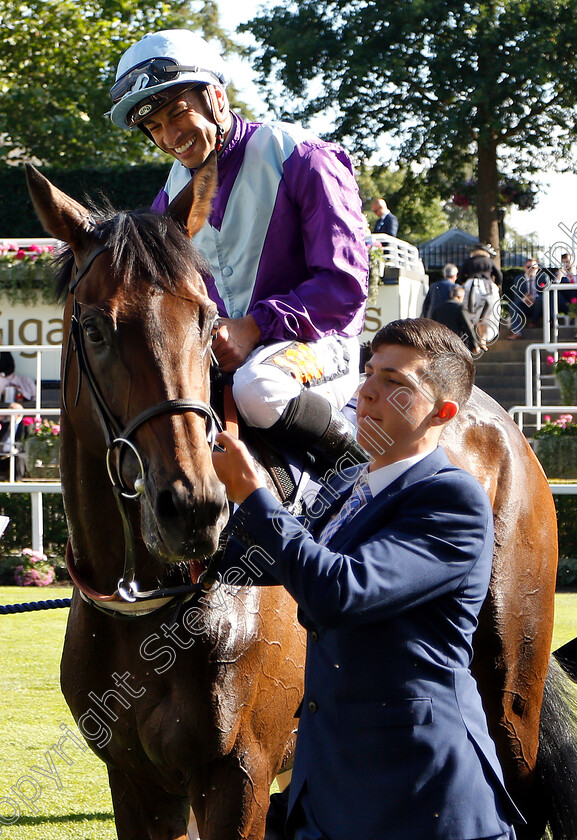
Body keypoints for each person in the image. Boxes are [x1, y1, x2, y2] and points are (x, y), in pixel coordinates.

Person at [212, 318, 522, 840]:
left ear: (442, 412)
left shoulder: (452, 500)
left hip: (421, 797)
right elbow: (280, 559)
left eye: (396, 384)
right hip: (332, 790)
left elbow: (338, 590)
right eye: (371, 373)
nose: (368, 392)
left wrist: (254, 497)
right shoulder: (352, 484)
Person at [109, 30, 369, 470]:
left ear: (215, 97)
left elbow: (344, 287)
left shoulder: (301, 156)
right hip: (223, 348)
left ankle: (361, 473)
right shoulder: (169, 196)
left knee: (258, 386)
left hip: (320, 342)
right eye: (155, 127)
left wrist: (254, 327)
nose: (170, 137)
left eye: (178, 115)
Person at [459, 243, 503, 346]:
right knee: (487, 313)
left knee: (469, 312)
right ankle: (483, 339)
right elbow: (499, 275)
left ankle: (471, 339)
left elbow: (461, 275)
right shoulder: (490, 261)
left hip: (471, 286)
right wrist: (498, 285)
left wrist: (463, 283)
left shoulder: (468, 261)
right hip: (487, 287)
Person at [430, 284, 479, 353]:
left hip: (441, 344)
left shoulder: (438, 309)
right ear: (460, 297)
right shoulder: (461, 308)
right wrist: (475, 345)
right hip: (458, 343)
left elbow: (432, 326)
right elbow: (468, 327)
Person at [506, 259, 542, 341]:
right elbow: (516, 296)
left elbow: (547, 294)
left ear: (538, 268)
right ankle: (517, 332)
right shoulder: (518, 279)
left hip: (539, 306)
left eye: (533, 267)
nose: (530, 269)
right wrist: (524, 299)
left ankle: (533, 321)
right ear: (524, 268)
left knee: (540, 299)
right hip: (525, 306)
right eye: (528, 267)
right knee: (513, 305)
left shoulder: (542, 278)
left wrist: (534, 298)